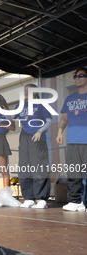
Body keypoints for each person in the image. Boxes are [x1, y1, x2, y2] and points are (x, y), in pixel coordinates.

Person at [14, 84, 52, 209]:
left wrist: (40, 131)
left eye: (29, 90)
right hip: (24, 136)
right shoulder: (20, 105)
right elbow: (11, 118)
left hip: (37, 136)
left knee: (39, 166)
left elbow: (49, 120)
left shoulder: (41, 104)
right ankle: (29, 198)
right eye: (24, 90)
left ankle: (41, 199)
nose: (26, 92)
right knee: (24, 167)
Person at [56, 67, 87, 211]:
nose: (77, 78)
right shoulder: (70, 98)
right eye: (75, 76)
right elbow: (65, 117)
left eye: (81, 75)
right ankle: (74, 201)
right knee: (74, 172)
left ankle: (84, 202)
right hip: (73, 141)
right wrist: (60, 132)